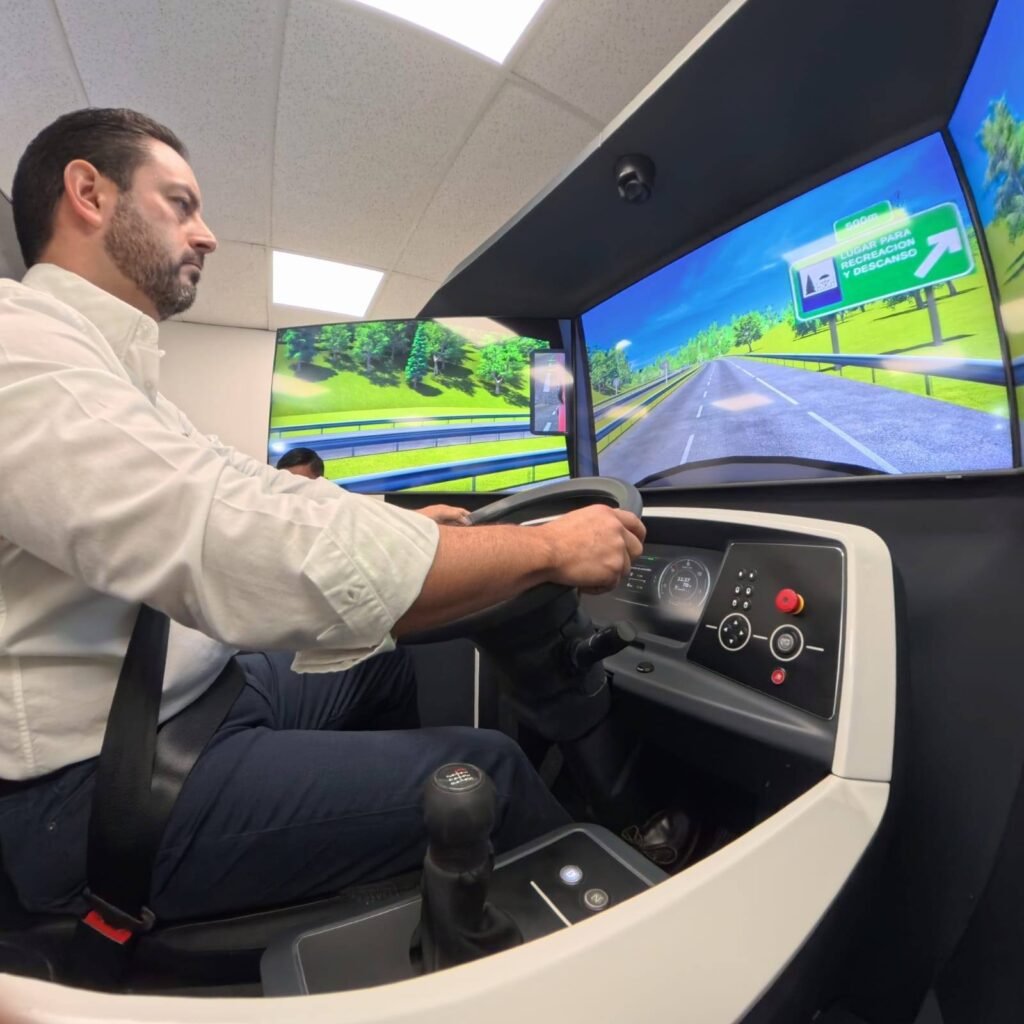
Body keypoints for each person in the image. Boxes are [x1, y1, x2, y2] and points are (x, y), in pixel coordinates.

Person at [0, 109, 645, 922]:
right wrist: (543, 547)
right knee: (490, 772)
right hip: (95, 785)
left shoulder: (114, 375)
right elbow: (230, 537)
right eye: (181, 204)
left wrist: (408, 527)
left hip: (197, 698)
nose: (207, 236)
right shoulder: (20, 345)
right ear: (89, 193)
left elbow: (245, 485)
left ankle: (377, 879)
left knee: (385, 663)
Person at [276, 445, 471, 525]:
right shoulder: (272, 519)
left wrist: (430, 514)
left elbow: (376, 520)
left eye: (302, 486)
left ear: (323, 483)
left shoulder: (338, 514)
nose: (295, 494)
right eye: (289, 485)